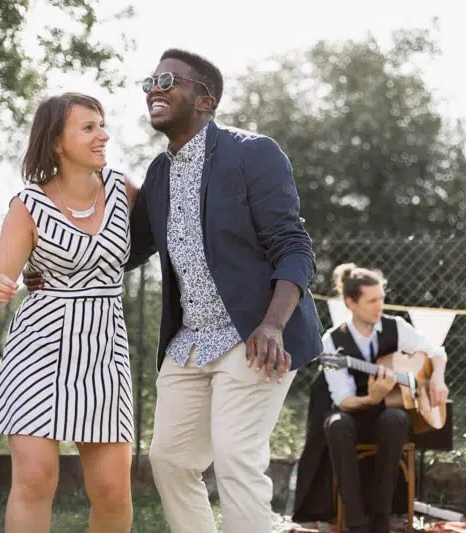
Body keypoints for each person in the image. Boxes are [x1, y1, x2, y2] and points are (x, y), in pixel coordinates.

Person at [26, 48, 323, 533]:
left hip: (254, 334)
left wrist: (273, 324)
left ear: (205, 100)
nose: (154, 90)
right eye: (150, 82)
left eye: (168, 81)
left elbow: (294, 246)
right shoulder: (159, 173)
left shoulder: (253, 153)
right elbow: (124, 249)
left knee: (236, 457)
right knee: (169, 461)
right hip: (189, 342)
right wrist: (50, 264)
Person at [0, 93, 136, 533]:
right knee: (35, 480)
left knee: (112, 490)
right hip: (38, 351)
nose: (103, 135)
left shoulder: (123, 190)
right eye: (88, 128)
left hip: (104, 353)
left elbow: (149, 242)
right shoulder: (27, 204)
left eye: (101, 124)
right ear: (56, 142)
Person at [295, 263, 449, 533]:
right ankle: (355, 523)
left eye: (381, 298)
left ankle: (381, 519)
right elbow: (343, 399)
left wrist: (437, 377)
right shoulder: (333, 342)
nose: (380, 306)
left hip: (387, 415)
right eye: (372, 301)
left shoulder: (396, 326)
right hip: (353, 413)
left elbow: (436, 351)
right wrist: (371, 398)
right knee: (337, 424)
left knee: (395, 418)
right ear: (350, 302)